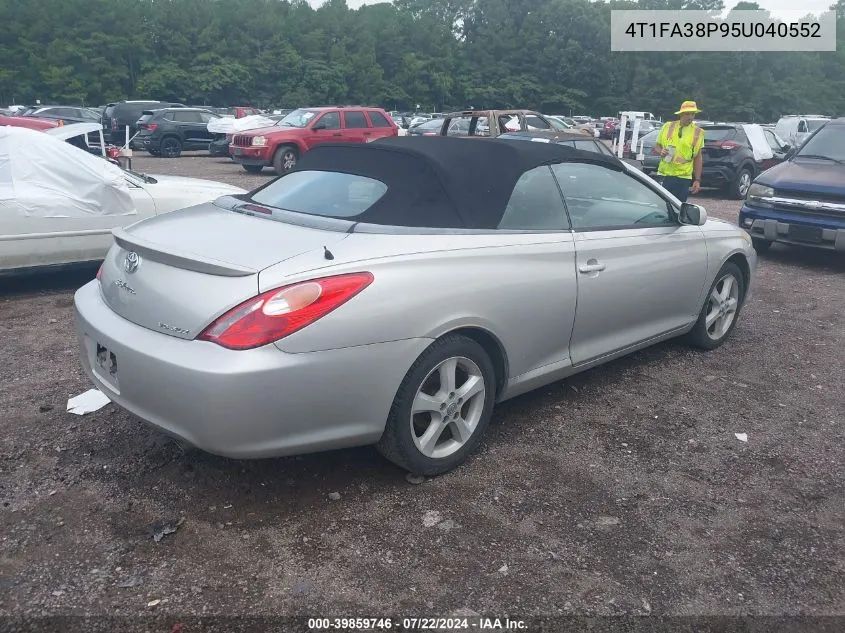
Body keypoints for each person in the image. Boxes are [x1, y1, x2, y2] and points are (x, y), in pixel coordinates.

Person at [652, 100, 705, 202]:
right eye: (687, 114)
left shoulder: (698, 132)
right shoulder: (668, 126)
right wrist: (661, 151)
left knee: (678, 208)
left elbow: (698, 157)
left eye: (693, 114)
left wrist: (697, 180)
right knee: (661, 205)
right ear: (681, 114)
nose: (690, 117)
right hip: (664, 175)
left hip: (683, 177)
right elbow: (657, 146)